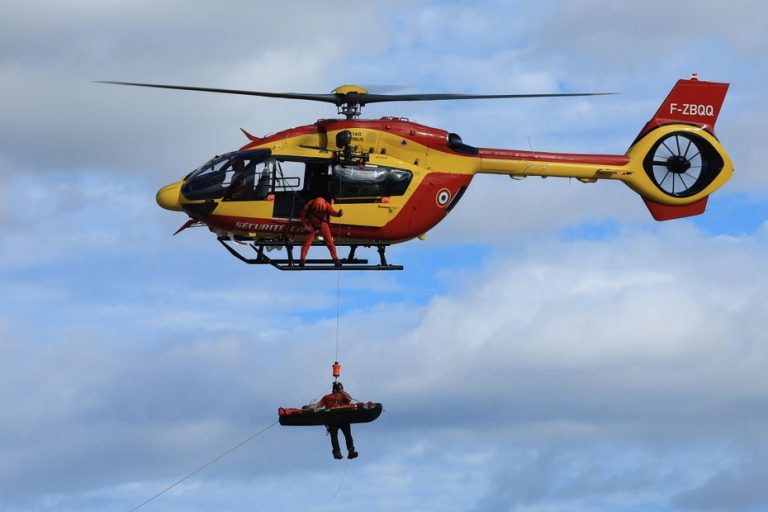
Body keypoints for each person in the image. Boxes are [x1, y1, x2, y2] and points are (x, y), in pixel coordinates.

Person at [310, 381, 358, 459]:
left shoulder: (334, 397)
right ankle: (344, 451)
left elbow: (317, 405)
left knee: (338, 436)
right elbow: (318, 405)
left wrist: (310, 407)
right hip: (338, 417)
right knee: (344, 435)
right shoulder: (332, 397)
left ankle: (342, 452)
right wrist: (308, 407)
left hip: (335, 417)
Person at [299, 196, 343, 266]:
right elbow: (302, 216)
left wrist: (338, 214)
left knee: (329, 241)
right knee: (307, 242)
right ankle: (302, 259)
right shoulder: (309, 205)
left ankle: (335, 259)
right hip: (312, 223)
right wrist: (305, 225)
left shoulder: (327, 205)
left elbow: (332, 212)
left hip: (322, 223)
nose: (319, 212)